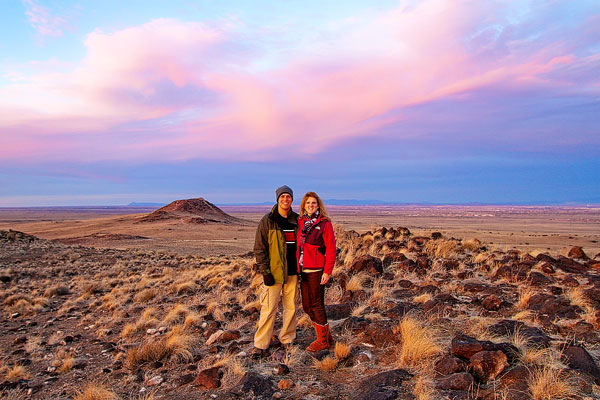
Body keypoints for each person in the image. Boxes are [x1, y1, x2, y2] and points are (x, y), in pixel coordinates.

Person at [252, 185, 299, 357]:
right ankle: (261, 343)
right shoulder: (268, 221)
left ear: (292, 199)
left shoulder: (297, 220)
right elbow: (259, 248)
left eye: (288, 197)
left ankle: (287, 338)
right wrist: (265, 272)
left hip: (293, 272)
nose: (285, 200)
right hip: (274, 273)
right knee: (269, 308)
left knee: (291, 307)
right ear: (277, 199)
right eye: (282, 197)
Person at [297, 192, 336, 352]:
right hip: (302, 270)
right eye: (308, 203)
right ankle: (327, 336)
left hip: (317, 270)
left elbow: (331, 249)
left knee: (316, 304)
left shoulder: (325, 224)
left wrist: (327, 271)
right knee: (307, 306)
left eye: (313, 203)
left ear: (318, 205)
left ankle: (322, 341)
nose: (311, 205)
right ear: (304, 206)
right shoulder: (300, 222)